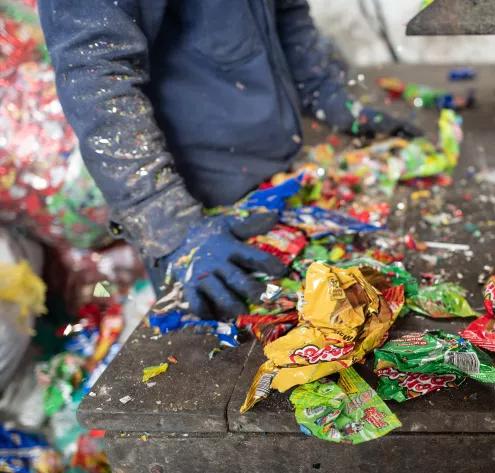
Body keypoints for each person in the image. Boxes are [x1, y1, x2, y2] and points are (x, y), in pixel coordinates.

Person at [38, 0, 419, 319]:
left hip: (274, 174)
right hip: (194, 210)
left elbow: (286, 11)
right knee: (222, 369)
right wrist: (171, 225)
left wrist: (327, 93)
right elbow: (97, 77)